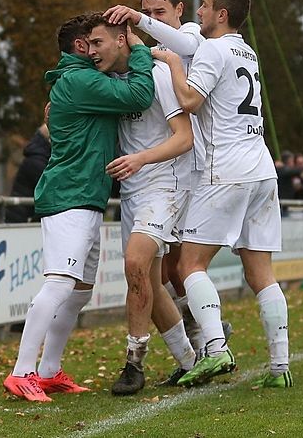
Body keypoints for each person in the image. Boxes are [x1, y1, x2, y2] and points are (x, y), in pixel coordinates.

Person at [2, 12, 154, 402]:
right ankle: (22, 371)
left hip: (85, 196)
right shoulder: (80, 79)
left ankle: (49, 369)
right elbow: (138, 95)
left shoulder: (80, 80)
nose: (102, 47)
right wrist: (136, 47)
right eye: (95, 41)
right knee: (60, 284)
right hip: (70, 196)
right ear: (81, 47)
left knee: (80, 291)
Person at [169, 0, 292, 389]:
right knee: (261, 273)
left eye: (204, 6)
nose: (198, 12)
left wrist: (170, 62)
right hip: (262, 168)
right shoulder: (246, 50)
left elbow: (190, 101)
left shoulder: (213, 49)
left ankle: (216, 348)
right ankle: (280, 367)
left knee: (189, 264)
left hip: (228, 168)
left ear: (222, 14)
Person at [104, 0, 228, 356]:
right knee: (163, 272)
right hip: (171, 168)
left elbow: (186, 45)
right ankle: (199, 342)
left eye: (160, 11)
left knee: (178, 268)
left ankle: (210, 336)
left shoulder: (190, 36)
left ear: (180, 10)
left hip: (195, 167)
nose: (152, 17)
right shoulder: (149, 58)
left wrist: (140, 24)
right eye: (147, 11)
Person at [106, 44, 198, 395]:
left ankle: (134, 362)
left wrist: (141, 158)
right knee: (150, 280)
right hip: (131, 190)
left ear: (121, 40)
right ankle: (190, 361)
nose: (95, 51)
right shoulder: (109, 80)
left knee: (135, 262)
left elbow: (184, 137)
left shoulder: (159, 75)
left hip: (164, 185)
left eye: (101, 42)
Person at [5, 124, 51, 223]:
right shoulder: (36, 162)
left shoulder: (37, 159)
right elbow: (50, 187)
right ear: (49, 139)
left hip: (23, 214)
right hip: (23, 217)